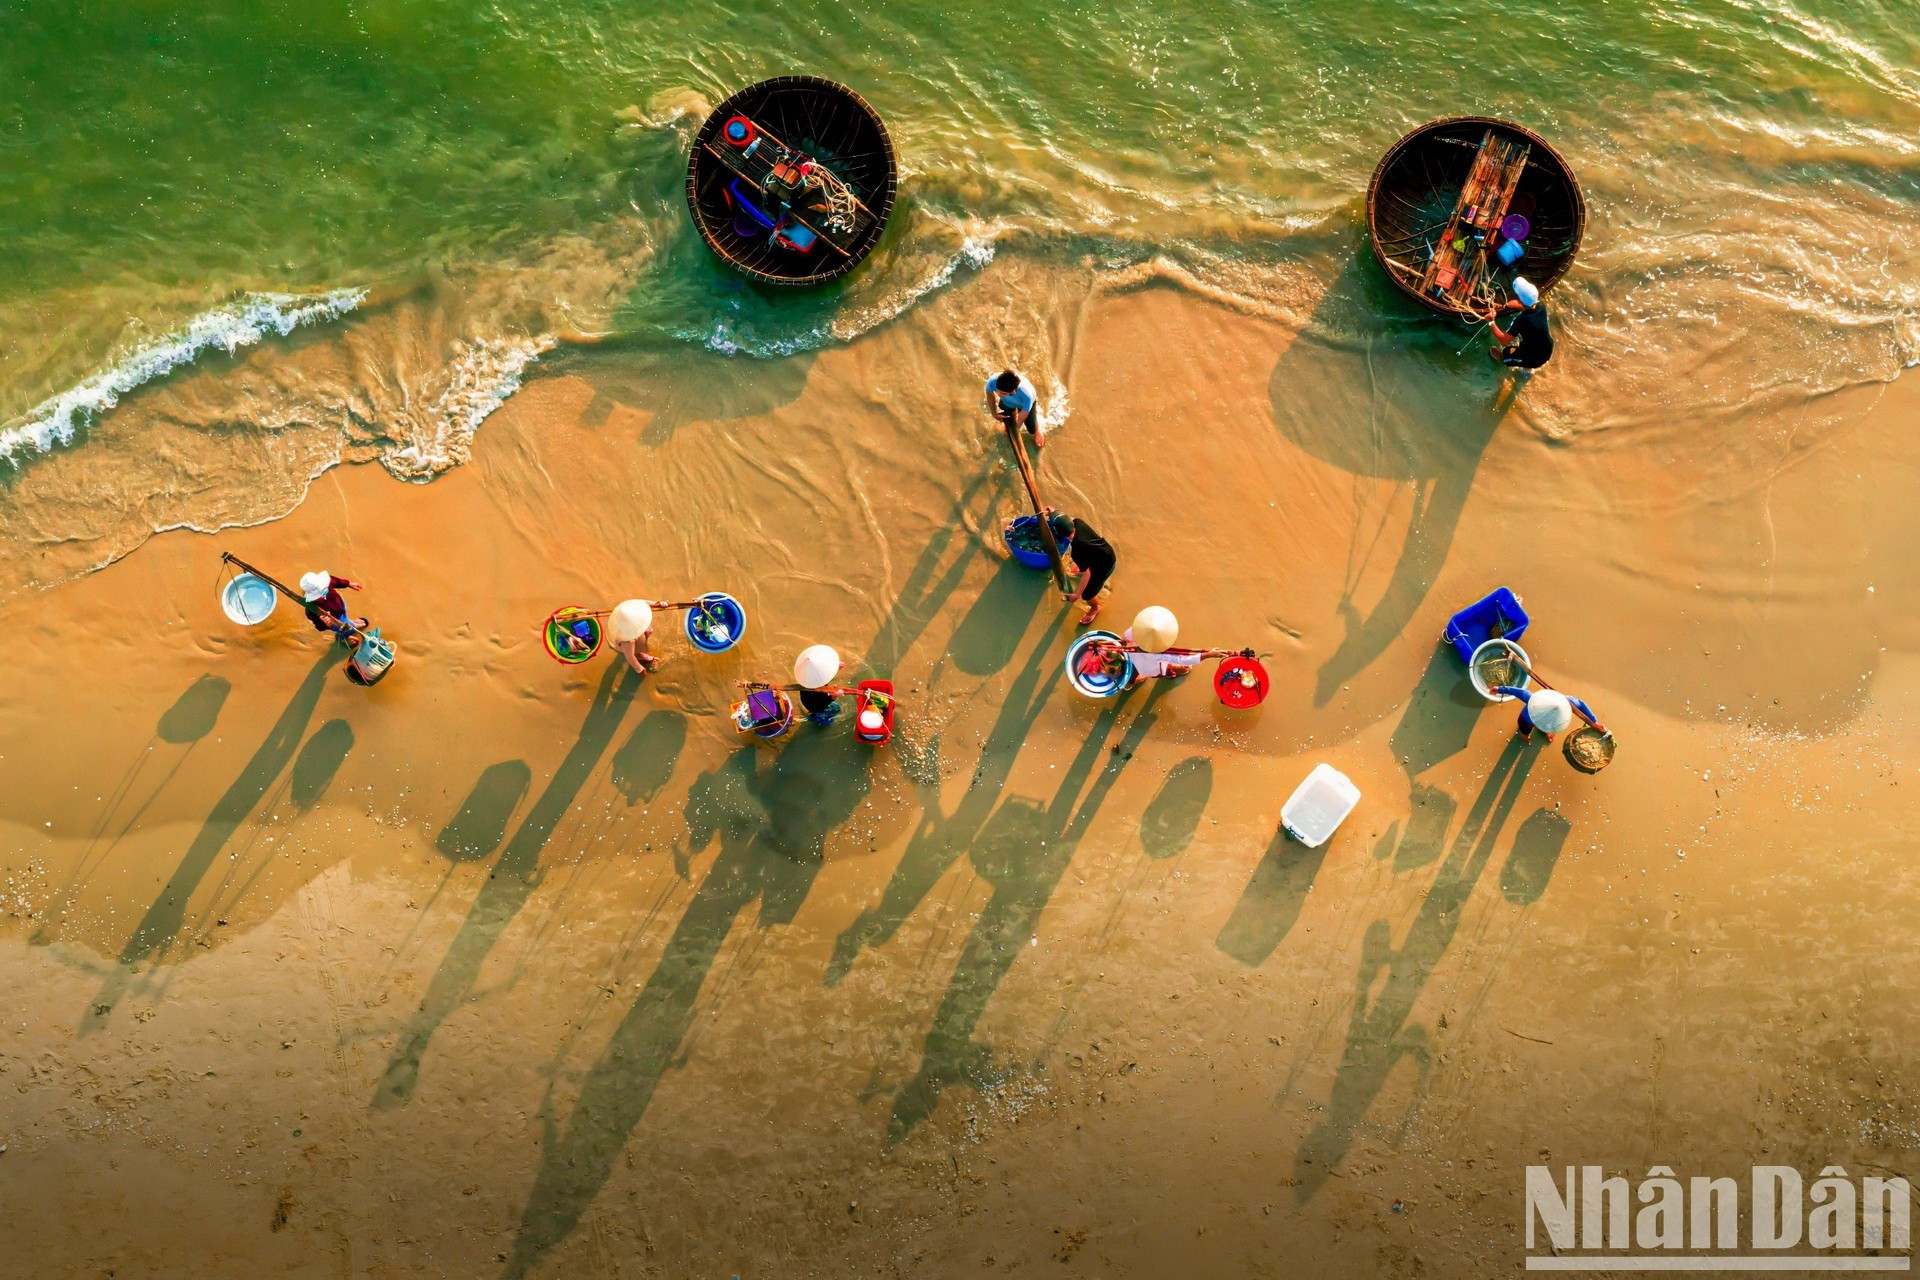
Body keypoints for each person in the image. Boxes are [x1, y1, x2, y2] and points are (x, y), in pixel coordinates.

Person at [1044, 509, 1115, 625]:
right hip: (1105, 550)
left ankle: (1096, 608)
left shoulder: (1077, 551)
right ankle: (1083, 566)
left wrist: (1077, 594)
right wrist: (1052, 512)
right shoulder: (1078, 522)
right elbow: (1068, 519)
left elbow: (1088, 573)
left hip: (1105, 565)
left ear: (1060, 534)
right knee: (1084, 566)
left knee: (1087, 594)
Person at [1492, 684, 1607, 743]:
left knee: (1549, 727)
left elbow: (1581, 704)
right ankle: (1524, 736)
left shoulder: (1566, 703)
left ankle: (1544, 731)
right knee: (1524, 732)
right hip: (1527, 721)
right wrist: (1500, 689)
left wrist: (1594, 722)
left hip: (1549, 723)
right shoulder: (1533, 701)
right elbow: (1518, 692)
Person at [1486, 276, 1553, 370]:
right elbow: (1526, 305)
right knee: (1524, 346)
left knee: (1506, 353)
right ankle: (1526, 364)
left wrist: (1491, 322)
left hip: (1537, 358)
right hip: (1546, 347)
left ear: (1520, 300)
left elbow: (1504, 341)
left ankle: (1514, 365)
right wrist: (1507, 305)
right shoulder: (1540, 305)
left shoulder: (1522, 320)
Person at [985, 369, 1044, 448]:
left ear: (1013, 392)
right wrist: (994, 414)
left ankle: (1037, 431)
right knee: (1002, 411)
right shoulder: (993, 381)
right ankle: (1010, 413)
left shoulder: (1027, 394)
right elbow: (990, 395)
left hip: (1023, 405)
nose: (998, 394)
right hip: (1008, 402)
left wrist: (1014, 431)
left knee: (1031, 429)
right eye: (997, 390)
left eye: (1002, 393)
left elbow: (1024, 414)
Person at [300, 570, 366, 639]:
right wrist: (327, 624)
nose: (327, 590)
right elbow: (319, 627)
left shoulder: (326, 583)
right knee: (349, 629)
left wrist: (348, 584)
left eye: (326, 587)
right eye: (323, 591)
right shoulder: (311, 610)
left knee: (345, 618)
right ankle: (345, 636)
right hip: (335, 621)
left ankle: (348, 622)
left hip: (340, 606)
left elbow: (336, 581)